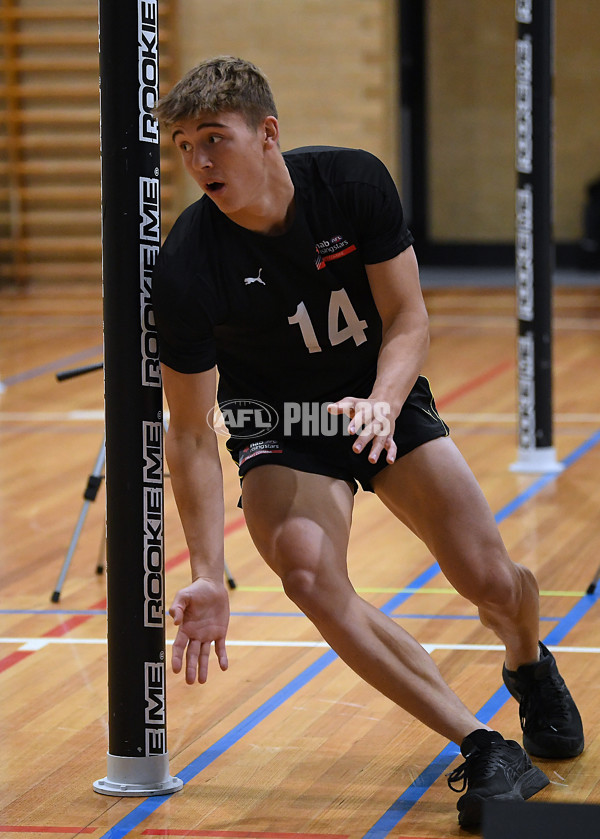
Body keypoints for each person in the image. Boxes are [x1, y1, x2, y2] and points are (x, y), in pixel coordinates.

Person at [151, 56, 583, 829]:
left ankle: (527, 658)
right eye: (182, 145)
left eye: (213, 139)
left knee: (490, 580)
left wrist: (383, 407)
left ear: (268, 134)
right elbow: (187, 431)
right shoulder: (188, 263)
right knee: (309, 575)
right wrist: (208, 573)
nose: (198, 162)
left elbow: (410, 318)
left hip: (377, 396)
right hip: (281, 425)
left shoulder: (351, 185)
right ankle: (484, 744)